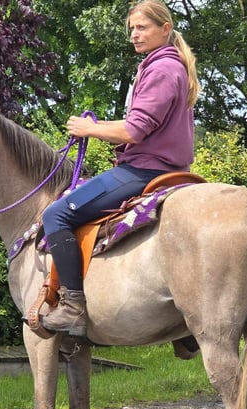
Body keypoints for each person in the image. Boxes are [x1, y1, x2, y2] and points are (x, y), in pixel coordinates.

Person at [40, 0, 201, 337]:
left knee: (56, 216)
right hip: (170, 169)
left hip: (144, 172)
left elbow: (133, 130)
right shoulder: (170, 67)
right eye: (132, 29)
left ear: (165, 29)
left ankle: (72, 308)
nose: (134, 35)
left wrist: (89, 130)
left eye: (142, 27)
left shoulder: (161, 69)